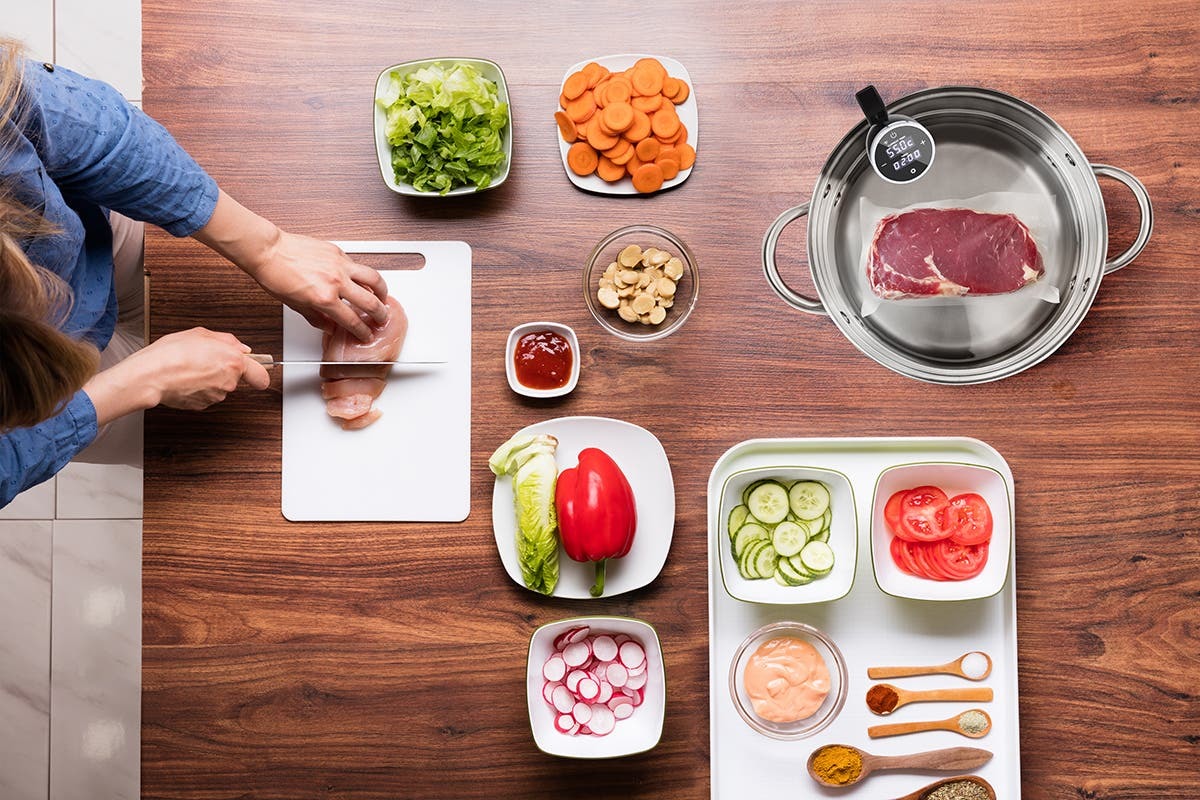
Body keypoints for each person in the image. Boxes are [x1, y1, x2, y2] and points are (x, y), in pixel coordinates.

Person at [0, 40, 390, 506]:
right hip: (30, 398)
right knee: (184, 448)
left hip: (82, 238)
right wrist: (135, 386)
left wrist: (267, 248)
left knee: (168, 267)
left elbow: (84, 127)